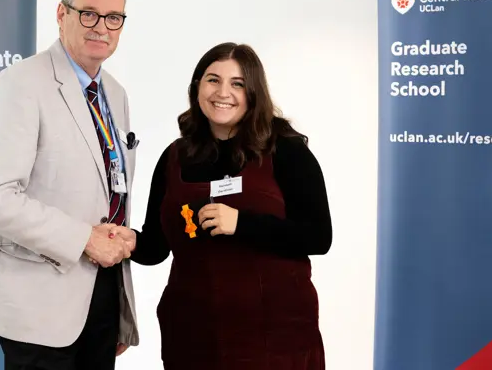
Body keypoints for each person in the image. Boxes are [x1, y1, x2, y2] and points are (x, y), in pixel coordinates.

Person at [113, 42, 333, 369]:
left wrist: (242, 224)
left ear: (253, 92)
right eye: (213, 80)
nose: (223, 92)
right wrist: (127, 241)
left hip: (272, 338)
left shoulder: (285, 149)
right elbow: (158, 246)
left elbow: (318, 237)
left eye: (238, 83)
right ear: (197, 87)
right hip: (193, 335)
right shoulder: (175, 156)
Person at [0, 0, 140, 370]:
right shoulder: (19, 85)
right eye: (89, 13)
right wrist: (84, 238)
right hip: (37, 304)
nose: (102, 27)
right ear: (62, 15)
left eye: (113, 17)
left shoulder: (115, 93)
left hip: (100, 292)